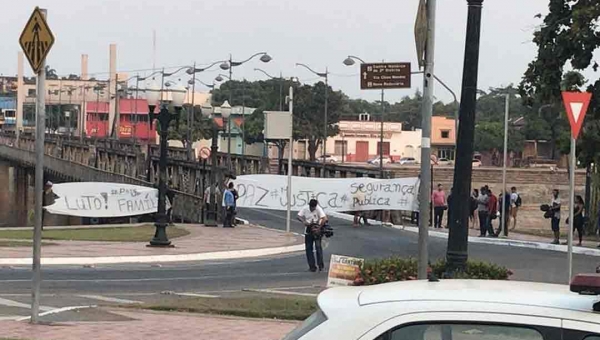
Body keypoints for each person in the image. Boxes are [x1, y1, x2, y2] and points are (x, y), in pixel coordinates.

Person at [297, 199, 327, 272]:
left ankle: (320, 266)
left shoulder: (318, 209)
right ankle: (312, 266)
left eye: (314, 207)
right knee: (308, 249)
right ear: (309, 205)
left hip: (317, 230)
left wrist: (319, 228)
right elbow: (298, 216)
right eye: (312, 207)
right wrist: (304, 222)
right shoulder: (305, 208)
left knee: (318, 247)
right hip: (308, 229)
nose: (313, 209)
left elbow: (325, 218)